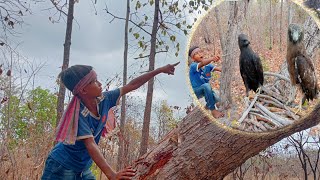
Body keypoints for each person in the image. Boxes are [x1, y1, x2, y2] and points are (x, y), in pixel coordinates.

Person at [41, 62, 179, 180]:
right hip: (61, 166)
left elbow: (132, 85)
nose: (100, 84)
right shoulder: (78, 115)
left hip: (83, 168)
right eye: (94, 81)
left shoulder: (104, 100)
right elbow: (90, 145)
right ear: (83, 90)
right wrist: (111, 174)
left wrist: (160, 70)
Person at [188, 46, 224, 118]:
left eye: (200, 52)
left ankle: (208, 106)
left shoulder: (208, 66)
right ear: (193, 58)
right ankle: (213, 110)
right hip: (197, 91)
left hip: (206, 90)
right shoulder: (193, 66)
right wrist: (212, 58)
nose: (199, 54)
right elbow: (203, 63)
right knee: (207, 86)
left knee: (217, 97)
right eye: (196, 53)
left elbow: (220, 69)